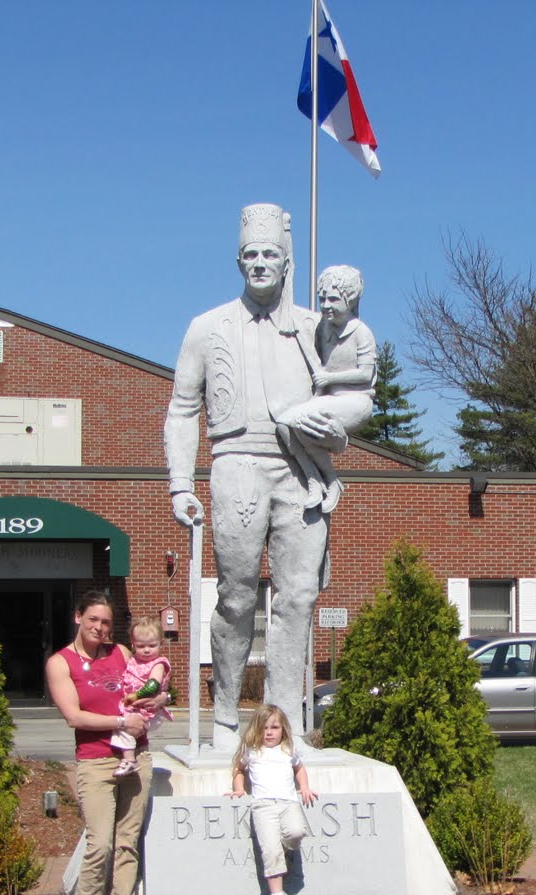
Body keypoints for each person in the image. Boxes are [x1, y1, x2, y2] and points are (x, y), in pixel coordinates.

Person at [164, 203, 372, 751]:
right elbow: (183, 409)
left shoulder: (315, 327)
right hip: (236, 466)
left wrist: (333, 423)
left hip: (301, 471)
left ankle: (286, 723)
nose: (260, 264)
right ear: (238, 260)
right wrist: (180, 484)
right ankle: (227, 716)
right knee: (236, 599)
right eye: (251, 254)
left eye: (270, 255)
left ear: (287, 262)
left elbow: (357, 393)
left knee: (298, 598)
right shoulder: (206, 328)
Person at [45, 590, 166, 895]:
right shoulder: (61, 662)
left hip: (136, 757)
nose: (99, 627)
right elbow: (74, 716)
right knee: (100, 843)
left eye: (106, 622)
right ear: (78, 617)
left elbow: (149, 682)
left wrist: (160, 698)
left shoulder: (121, 653)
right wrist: (120, 722)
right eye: (93, 619)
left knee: (128, 841)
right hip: (96, 761)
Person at [273, 264, 376, 514]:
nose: (326, 305)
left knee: (298, 422)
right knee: (285, 425)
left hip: (355, 400)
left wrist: (329, 377)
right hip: (328, 397)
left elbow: (366, 373)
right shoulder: (324, 328)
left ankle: (330, 481)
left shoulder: (361, 333)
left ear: (349, 300)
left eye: (333, 299)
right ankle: (313, 478)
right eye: (322, 299)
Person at [226, 704, 317, 895]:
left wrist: (304, 786)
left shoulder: (288, 750)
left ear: (283, 729)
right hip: (263, 806)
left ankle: (283, 852)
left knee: (297, 832)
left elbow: (299, 768)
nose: (269, 732)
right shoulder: (252, 751)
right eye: (265, 727)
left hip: (288, 803)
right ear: (257, 729)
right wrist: (239, 789)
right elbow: (239, 769)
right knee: (271, 852)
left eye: (274, 727)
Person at [110, 616, 171, 778]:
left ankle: (129, 760)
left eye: (152, 645)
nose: (146, 650)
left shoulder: (158, 664)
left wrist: (136, 695)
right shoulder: (133, 661)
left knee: (125, 727)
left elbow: (153, 685)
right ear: (133, 644)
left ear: (161, 644)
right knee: (123, 724)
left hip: (147, 708)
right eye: (140, 646)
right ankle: (129, 758)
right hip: (136, 706)